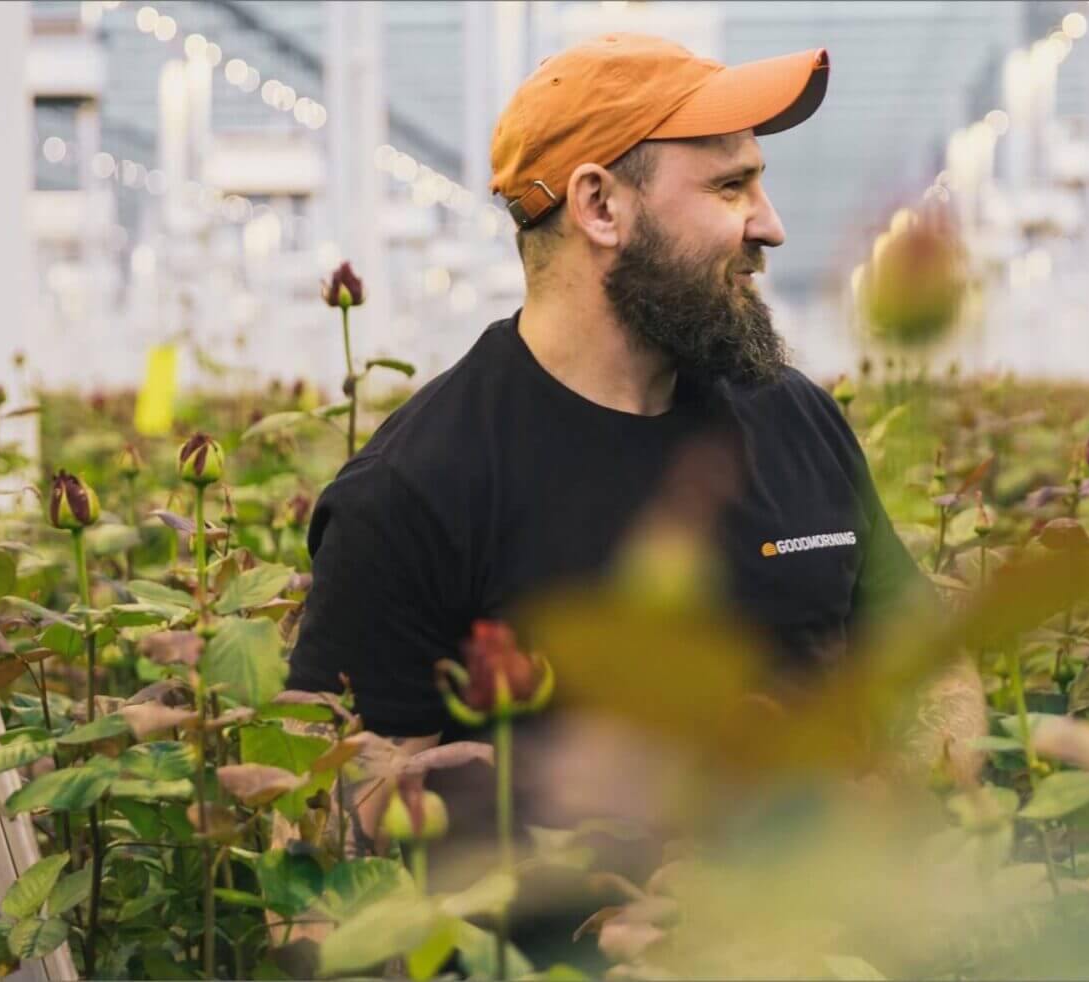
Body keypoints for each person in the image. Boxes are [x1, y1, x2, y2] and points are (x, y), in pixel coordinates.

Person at [275, 31, 983, 964]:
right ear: (600, 205)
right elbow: (326, 850)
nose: (769, 225)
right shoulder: (422, 488)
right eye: (731, 188)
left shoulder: (798, 420)